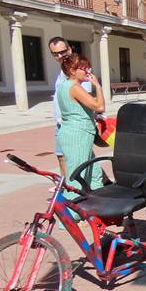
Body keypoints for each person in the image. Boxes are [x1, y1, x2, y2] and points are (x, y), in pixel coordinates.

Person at [56, 54, 104, 200]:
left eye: (87, 67)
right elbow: (99, 106)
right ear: (72, 70)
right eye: (83, 68)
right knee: (77, 176)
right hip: (78, 134)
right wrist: (97, 86)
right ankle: (67, 219)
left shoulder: (63, 85)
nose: (87, 71)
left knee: (94, 172)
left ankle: (95, 210)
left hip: (74, 133)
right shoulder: (74, 87)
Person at [48, 37, 91, 178]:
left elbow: (87, 98)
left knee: (79, 159)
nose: (59, 56)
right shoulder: (62, 72)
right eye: (55, 53)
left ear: (70, 49)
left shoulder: (78, 71)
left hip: (74, 125)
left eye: (62, 52)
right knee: (62, 156)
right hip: (61, 123)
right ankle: (66, 187)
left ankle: (72, 190)